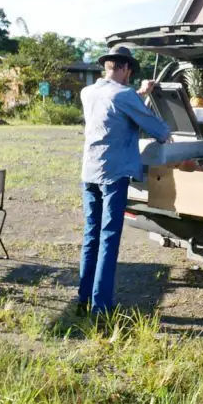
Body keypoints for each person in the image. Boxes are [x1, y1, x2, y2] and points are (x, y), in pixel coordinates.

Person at [77, 45, 171, 319]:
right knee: (109, 237)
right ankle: (101, 306)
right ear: (126, 68)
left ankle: (84, 299)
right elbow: (155, 127)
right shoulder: (125, 95)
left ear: (107, 65)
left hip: (90, 172)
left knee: (91, 235)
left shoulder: (88, 92)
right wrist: (167, 136)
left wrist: (141, 93)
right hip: (114, 174)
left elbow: (114, 104)